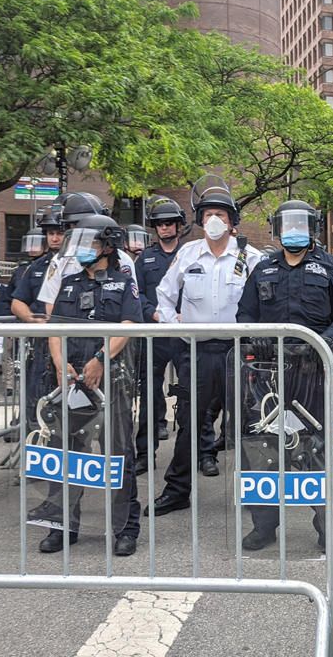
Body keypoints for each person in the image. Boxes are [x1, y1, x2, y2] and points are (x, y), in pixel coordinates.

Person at [235, 199, 333, 551]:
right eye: (288, 226)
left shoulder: (328, 267)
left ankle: (325, 526)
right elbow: (244, 314)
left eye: (302, 226)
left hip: (313, 370)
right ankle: (264, 526)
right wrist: (253, 334)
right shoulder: (264, 267)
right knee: (264, 447)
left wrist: (325, 341)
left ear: (313, 229)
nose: (295, 233)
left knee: (317, 447)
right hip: (269, 373)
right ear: (278, 229)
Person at [146, 181, 264, 515]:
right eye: (209, 214)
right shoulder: (188, 253)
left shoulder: (249, 256)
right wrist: (174, 327)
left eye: (221, 215)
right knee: (188, 424)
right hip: (195, 352)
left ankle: (255, 496)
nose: (214, 219)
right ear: (201, 219)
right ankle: (177, 490)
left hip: (238, 353)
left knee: (247, 425)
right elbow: (165, 296)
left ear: (231, 221)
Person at [39, 214, 143, 556]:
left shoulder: (122, 282)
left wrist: (100, 359)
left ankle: (124, 529)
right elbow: (55, 328)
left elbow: (128, 326)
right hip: (72, 380)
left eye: (92, 243)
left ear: (108, 246)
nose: (84, 250)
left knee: (118, 453)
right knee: (64, 451)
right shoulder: (69, 283)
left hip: (111, 380)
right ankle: (61, 526)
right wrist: (59, 363)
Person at [132, 196, 186, 475]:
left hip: (185, 333)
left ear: (178, 225)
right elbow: (137, 293)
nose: (164, 228)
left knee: (191, 397)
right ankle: (144, 453)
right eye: (159, 224)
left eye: (169, 223)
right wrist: (152, 313)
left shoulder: (190, 253)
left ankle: (201, 454)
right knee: (149, 397)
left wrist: (185, 315)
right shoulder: (145, 259)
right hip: (154, 334)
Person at [10, 207, 63, 439]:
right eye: (50, 232)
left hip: (70, 342)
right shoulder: (36, 267)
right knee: (37, 401)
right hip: (42, 344)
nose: (54, 237)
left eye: (59, 232)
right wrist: (33, 320)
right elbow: (17, 302)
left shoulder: (80, 263)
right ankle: (36, 457)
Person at [37, 192, 134, 312]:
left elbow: (131, 306)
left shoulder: (123, 259)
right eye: (77, 225)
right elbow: (51, 305)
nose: (84, 229)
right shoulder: (60, 260)